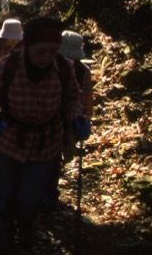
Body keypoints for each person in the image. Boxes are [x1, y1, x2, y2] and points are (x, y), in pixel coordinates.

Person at [0, 17, 91, 254]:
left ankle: (26, 233)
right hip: (8, 141)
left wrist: (77, 118)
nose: (47, 56)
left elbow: (71, 100)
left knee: (30, 198)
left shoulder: (64, 68)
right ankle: (5, 240)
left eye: (52, 51)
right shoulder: (6, 66)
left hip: (45, 144)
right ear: (27, 45)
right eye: (41, 50)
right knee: (4, 197)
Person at [47, 30, 95, 205]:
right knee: (57, 155)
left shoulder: (52, 66)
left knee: (52, 156)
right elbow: (87, 99)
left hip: (57, 118)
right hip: (68, 120)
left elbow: (85, 98)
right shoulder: (84, 71)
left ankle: (47, 191)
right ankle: (49, 191)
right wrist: (85, 118)